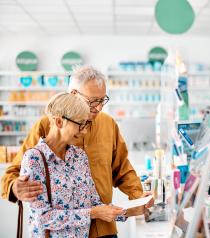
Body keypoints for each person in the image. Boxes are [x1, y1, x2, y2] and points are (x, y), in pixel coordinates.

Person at [1, 66, 150, 237]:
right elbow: (14, 175)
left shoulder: (106, 127)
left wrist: (138, 199)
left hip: (104, 227)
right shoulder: (46, 126)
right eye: (93, 101)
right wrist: (14, 188)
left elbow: (122, 170)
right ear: (73, 95)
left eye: (103, 100)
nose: (99, 107)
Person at [20, 92, 127, 237]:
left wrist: (129, 210)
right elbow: (42, 217)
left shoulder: (79, 156)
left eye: (86, 124)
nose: (84, 131)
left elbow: (94, 202)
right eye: (80, 125)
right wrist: (92, 213)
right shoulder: (34, 159)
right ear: (59, 122)